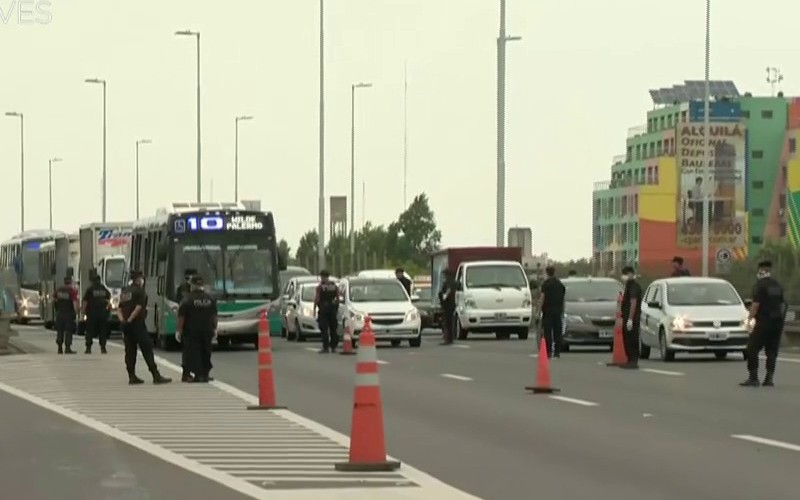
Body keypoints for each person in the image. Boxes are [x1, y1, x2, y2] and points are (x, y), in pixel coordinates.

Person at [117, 270, 171, 385]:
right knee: (147, 348)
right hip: (137, 324)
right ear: (138, 279)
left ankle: (131, 376)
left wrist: (123, 321)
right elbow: (138, 307)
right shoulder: (140, 291)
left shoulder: (125, 291)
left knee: (130, 351)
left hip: (126, 325)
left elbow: (119, 308)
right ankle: (155, 375)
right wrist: (131, 320)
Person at [741, 260, 786, 387]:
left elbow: (755, 306)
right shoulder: (777, 285)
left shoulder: (760, 286)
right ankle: (769, 378)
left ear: (760, 271)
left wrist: (749, 319)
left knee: (752, 349)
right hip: (777, 322)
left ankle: (753, 377)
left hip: (764, 322)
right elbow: (782, 305)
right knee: (772, 351)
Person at [176, 275, 218, 383]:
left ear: (193, 285)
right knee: (206, 352)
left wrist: (178, 331)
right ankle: (204, 374)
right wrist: (215, 328)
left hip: (191, 331)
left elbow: (181, 316)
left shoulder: (187, 299)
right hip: (207, 330)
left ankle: (191, 375)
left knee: (191, 353)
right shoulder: (210, 298)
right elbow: (214, 316)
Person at [539, 266, 565, 358]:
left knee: (548, 333)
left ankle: (548, 352)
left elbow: (542, 298)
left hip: (548, 311)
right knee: (558, 332)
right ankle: (557, 352)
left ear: (547, 273)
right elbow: (563, 299)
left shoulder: (546, 284)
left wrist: (538, 310)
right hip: (558, 311)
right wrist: (563, 311)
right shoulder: (560, 284)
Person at [82, 269, 110, 355]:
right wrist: (108, 311)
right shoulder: (104, 289)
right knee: (102, 331)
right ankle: (103, 348)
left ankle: (88, 348)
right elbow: (108, 300)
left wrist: (83, 312)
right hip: (102, 313)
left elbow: (85, 301)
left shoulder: (90, 289)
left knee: (89, 331)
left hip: (92, 313)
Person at [620, 265, 643, 369]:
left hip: (632, 318)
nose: (623, 277)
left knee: (632, 339)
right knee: (627, 339)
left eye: (625, 274)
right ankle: (629, 360)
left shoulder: (634, 287)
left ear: (630, 274)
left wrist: (630, 319)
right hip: (627, 316)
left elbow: (633, 302)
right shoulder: (628, 286)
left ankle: (633, 360)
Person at [176, 268, 197, 382]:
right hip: (187, 324)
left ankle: (198, 372)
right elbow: (181, 304)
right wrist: (179, 329)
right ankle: (186, 373)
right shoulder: (183, 288)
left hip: (196, 323)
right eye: (188, 278)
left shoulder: (197, 289)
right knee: (188, 350)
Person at [313, 270, 339, 353]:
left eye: (322, 276)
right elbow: (338, 298)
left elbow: (317, 298)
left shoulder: (320, 287)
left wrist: (314, 308)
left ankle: (326, 347)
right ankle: (333, 347)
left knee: (324, 328)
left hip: (324, 310)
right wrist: (336, 308)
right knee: (333, 328)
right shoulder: (334, 286)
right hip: (332, 309)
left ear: (323, 277)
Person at [54, 276, 79, 355]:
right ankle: (67, 348)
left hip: (60, 313)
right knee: (68, 331)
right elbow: (74, 303)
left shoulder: (58, 290)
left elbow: (54, 299)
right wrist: (76, 312)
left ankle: (59, 348)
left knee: (60, 331)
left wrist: (57, 307)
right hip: (68, 314)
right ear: (70, 282)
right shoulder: (72, 291)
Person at [438, 270, 456, 345]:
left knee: (447, 322)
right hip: (449, 304)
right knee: (449, 322)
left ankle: (448, 339)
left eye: (445, 275)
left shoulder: (449, 282)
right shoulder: (452, 281)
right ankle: (449, 338)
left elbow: (448, 290)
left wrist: (444, 296)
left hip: (448, 304)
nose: (444, 276)